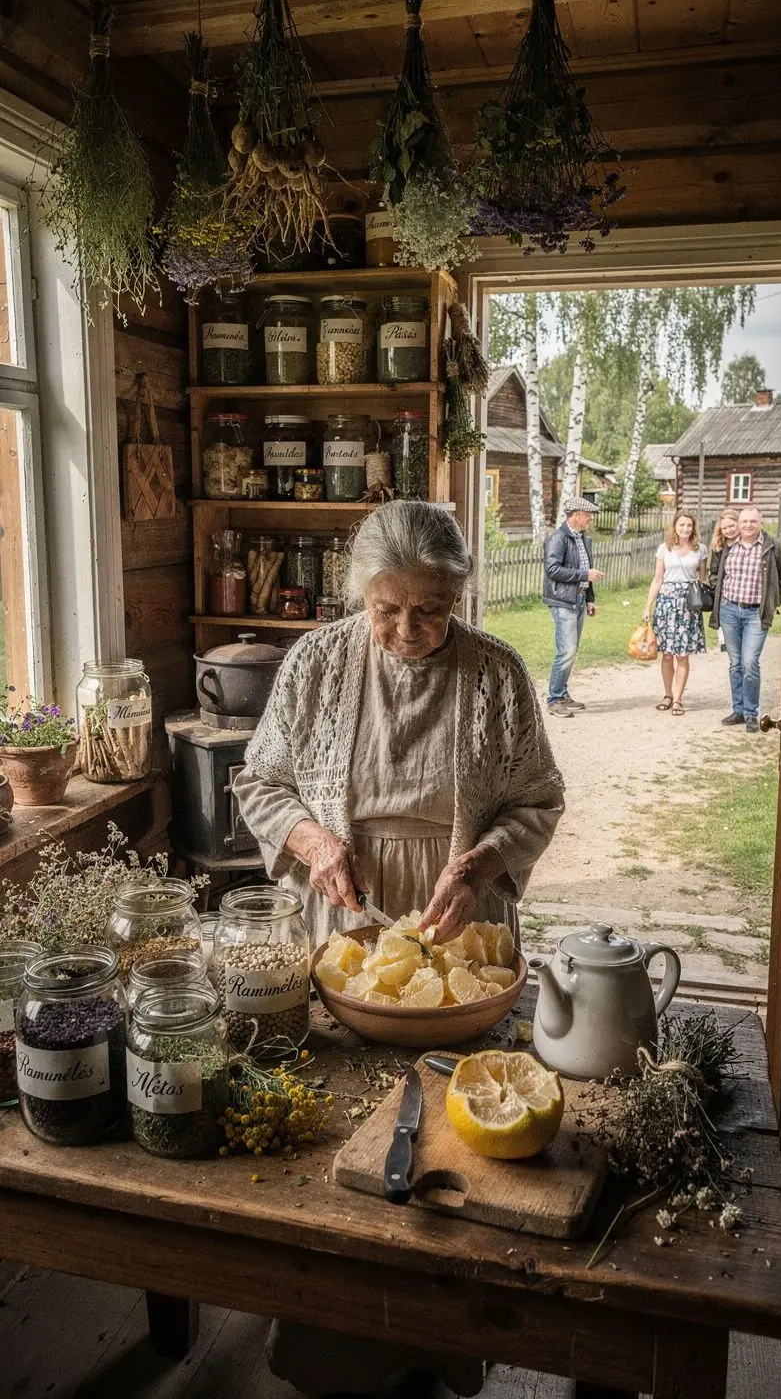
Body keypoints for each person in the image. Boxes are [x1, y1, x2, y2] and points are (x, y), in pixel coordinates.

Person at [234, 500, 565, 1398]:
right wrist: (312, 841)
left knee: (450, 1151)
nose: (410, 629)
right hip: (351, 930)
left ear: (459, 595)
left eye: (432, 608)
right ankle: (328, 1352)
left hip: (460, 929)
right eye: (389, 608)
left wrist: (488, 858)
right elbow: (260, 781)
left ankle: (444, 1348)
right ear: (360, 595)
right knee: (337, 1142)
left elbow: (539, 798)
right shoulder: (314, 662)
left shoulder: (496, 672)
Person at [710, 503, 781, 734]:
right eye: (744, 521)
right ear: (739, 524)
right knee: (735, 663)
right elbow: (716, 574)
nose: (748, 525)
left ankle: (752, 713)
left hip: (756, 613)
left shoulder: (773, 547)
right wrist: (719, 593)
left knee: (749, 663)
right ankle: (739, 711)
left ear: (761, 523)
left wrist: (773, 604)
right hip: (729, 610)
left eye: (753, 521)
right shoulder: (727, 547)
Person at [641, 510, 708, 717]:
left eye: (689, 525)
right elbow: (657, 579)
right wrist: (647, 606)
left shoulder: (700, 549)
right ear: (675, 527)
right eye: (682, 525)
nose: (685, 529)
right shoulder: (664, 548)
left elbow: (703, 578)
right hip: (667, 603)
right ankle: (667, 694)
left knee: (683, 655)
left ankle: (678, 699)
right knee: (667, 655)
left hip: (688, 605)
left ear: (693, 528)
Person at [543, 496, 604, 718]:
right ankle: (554, 699)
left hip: (578, 600)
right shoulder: (558, 539)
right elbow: (553, 570)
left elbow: (587, 569)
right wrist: (584, 575)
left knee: (571, 650)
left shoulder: (584, 539)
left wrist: (590, 598)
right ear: (576, 515)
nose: (590, 519)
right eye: (587, 515)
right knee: (566, 651)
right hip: (563, 601)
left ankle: (562, 693)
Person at [708, 507, 740, 651]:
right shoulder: (719, 547)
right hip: (726, 597)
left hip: (745, 597)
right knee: (731, 647)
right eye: (725, 528)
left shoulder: (747, 544)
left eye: (732, 526)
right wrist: (719, 587)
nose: (729, 530)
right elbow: (713, 572)